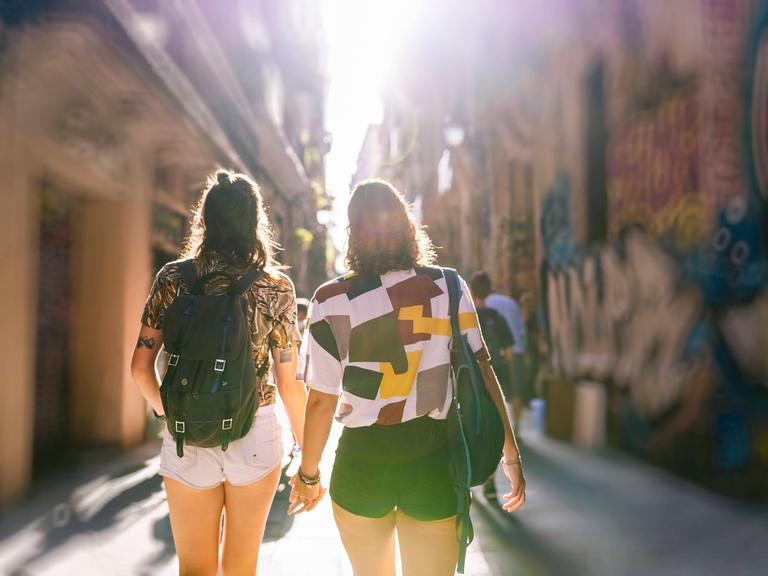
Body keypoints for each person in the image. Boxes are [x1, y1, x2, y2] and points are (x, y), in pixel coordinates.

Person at [288, 179, 526, 576]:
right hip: (432, 459)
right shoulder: (448, 286)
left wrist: (308, 475)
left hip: (361, 461)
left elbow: (321, 399)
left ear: (353, 233)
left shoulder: (330, 299)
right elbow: (483, 370)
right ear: (406, 225)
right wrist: (511, 454)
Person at [131, 170, 307, 575]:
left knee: (195, 569)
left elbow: (141, 369)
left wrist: (171, 414)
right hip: (255, 431)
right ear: (254, 220)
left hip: (186, 432)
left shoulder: (173, 278)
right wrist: (306, 455)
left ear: (205, 219)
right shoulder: (275, 287)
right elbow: (288, 383)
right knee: (241, 567)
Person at [469, 273, 514, 501]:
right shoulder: (496, 317)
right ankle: (490, 483)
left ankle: (466, 478)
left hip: (468, 384)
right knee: (492, 430)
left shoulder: (464, 317)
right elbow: (508, 352)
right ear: (489, 291)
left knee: (468, 429)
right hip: (494, 382)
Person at [473, 272, 527, 434]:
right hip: (498, 364)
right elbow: (512, 345)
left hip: (473, 367)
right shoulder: (500, 314)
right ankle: (514, 428)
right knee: (512, 393)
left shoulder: (468, 313)